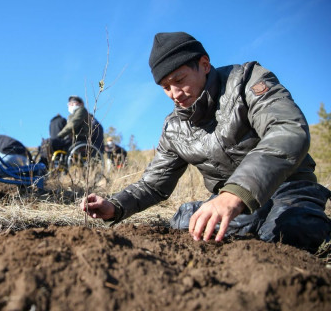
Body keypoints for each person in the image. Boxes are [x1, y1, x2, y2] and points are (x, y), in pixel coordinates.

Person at [80, 32, 331, 253]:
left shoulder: (247, 81)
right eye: (165, 87)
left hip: (287, 187)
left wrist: (236, 193)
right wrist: (114, 206)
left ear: (204, 64)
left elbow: (287, 129)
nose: (174, 94)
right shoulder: (174, 127)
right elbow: (154, 184)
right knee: (187, 223)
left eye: (179, 80)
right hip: (226, 204)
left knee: (294, 231)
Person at [38, 95, 93, 167]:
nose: (70, 105)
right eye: (69, 104)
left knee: (49, 142)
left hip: (78, 138)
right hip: (71, 138)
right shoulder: (71, 115)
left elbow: (72, 124)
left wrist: (59, 135)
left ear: (79, 104)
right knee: (45, 144)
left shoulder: (82, 111)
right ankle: (46, 165)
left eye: (73, 103)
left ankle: (43, 166)